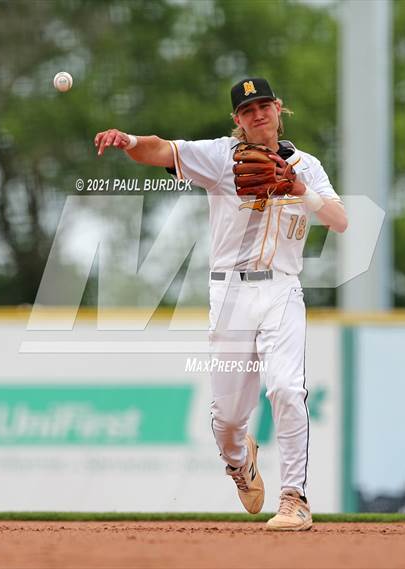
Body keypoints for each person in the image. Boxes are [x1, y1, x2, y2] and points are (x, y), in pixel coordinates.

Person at [94, 77, 348, 531]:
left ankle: (295, 498)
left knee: (288, 389)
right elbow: (159, 150)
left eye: (263, 105)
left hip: (281, 290)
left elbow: (341, 220)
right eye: (247, 110)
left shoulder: (307, 166)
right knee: (228, 420)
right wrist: (128, 140)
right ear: (238, 121)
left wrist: (298, 190)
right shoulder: (219, 157)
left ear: (278, 109)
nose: (257, 114)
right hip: (229, 294)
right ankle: (239, 461)